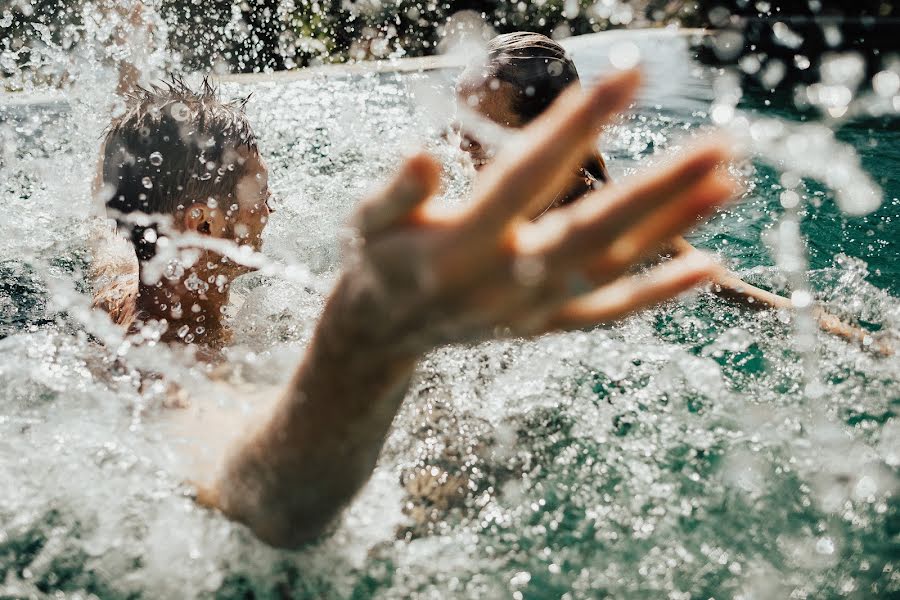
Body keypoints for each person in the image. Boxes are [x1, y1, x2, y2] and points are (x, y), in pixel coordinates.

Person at [90, 69, 738, 547]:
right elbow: (272, 504)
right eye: (258, 188)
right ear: (204, 219)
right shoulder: (178, 375)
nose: (273, 207)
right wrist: (371, 333)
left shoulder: (122, 276)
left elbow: (110, 218)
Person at [454, 32, 885, 350]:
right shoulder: (477, 171)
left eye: (482, 128)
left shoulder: (601, 217)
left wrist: (854, 340)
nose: (460, 141)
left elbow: (727, 290)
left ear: (551, 132)